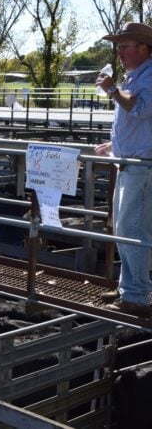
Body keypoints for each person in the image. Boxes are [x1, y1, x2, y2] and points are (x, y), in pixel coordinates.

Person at [94, 22, 152, 318]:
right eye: (118, 47)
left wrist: (112, 89)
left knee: (133, 229)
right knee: (125, 228)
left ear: (144, 47)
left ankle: (137, 295)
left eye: (125, 46)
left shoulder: (149, 75)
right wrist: (114, 144)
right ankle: (128, 287)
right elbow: (139, 123)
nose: (120, 53)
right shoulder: (135, 76)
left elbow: (141, 108)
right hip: (130, 161)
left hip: (142, 166)